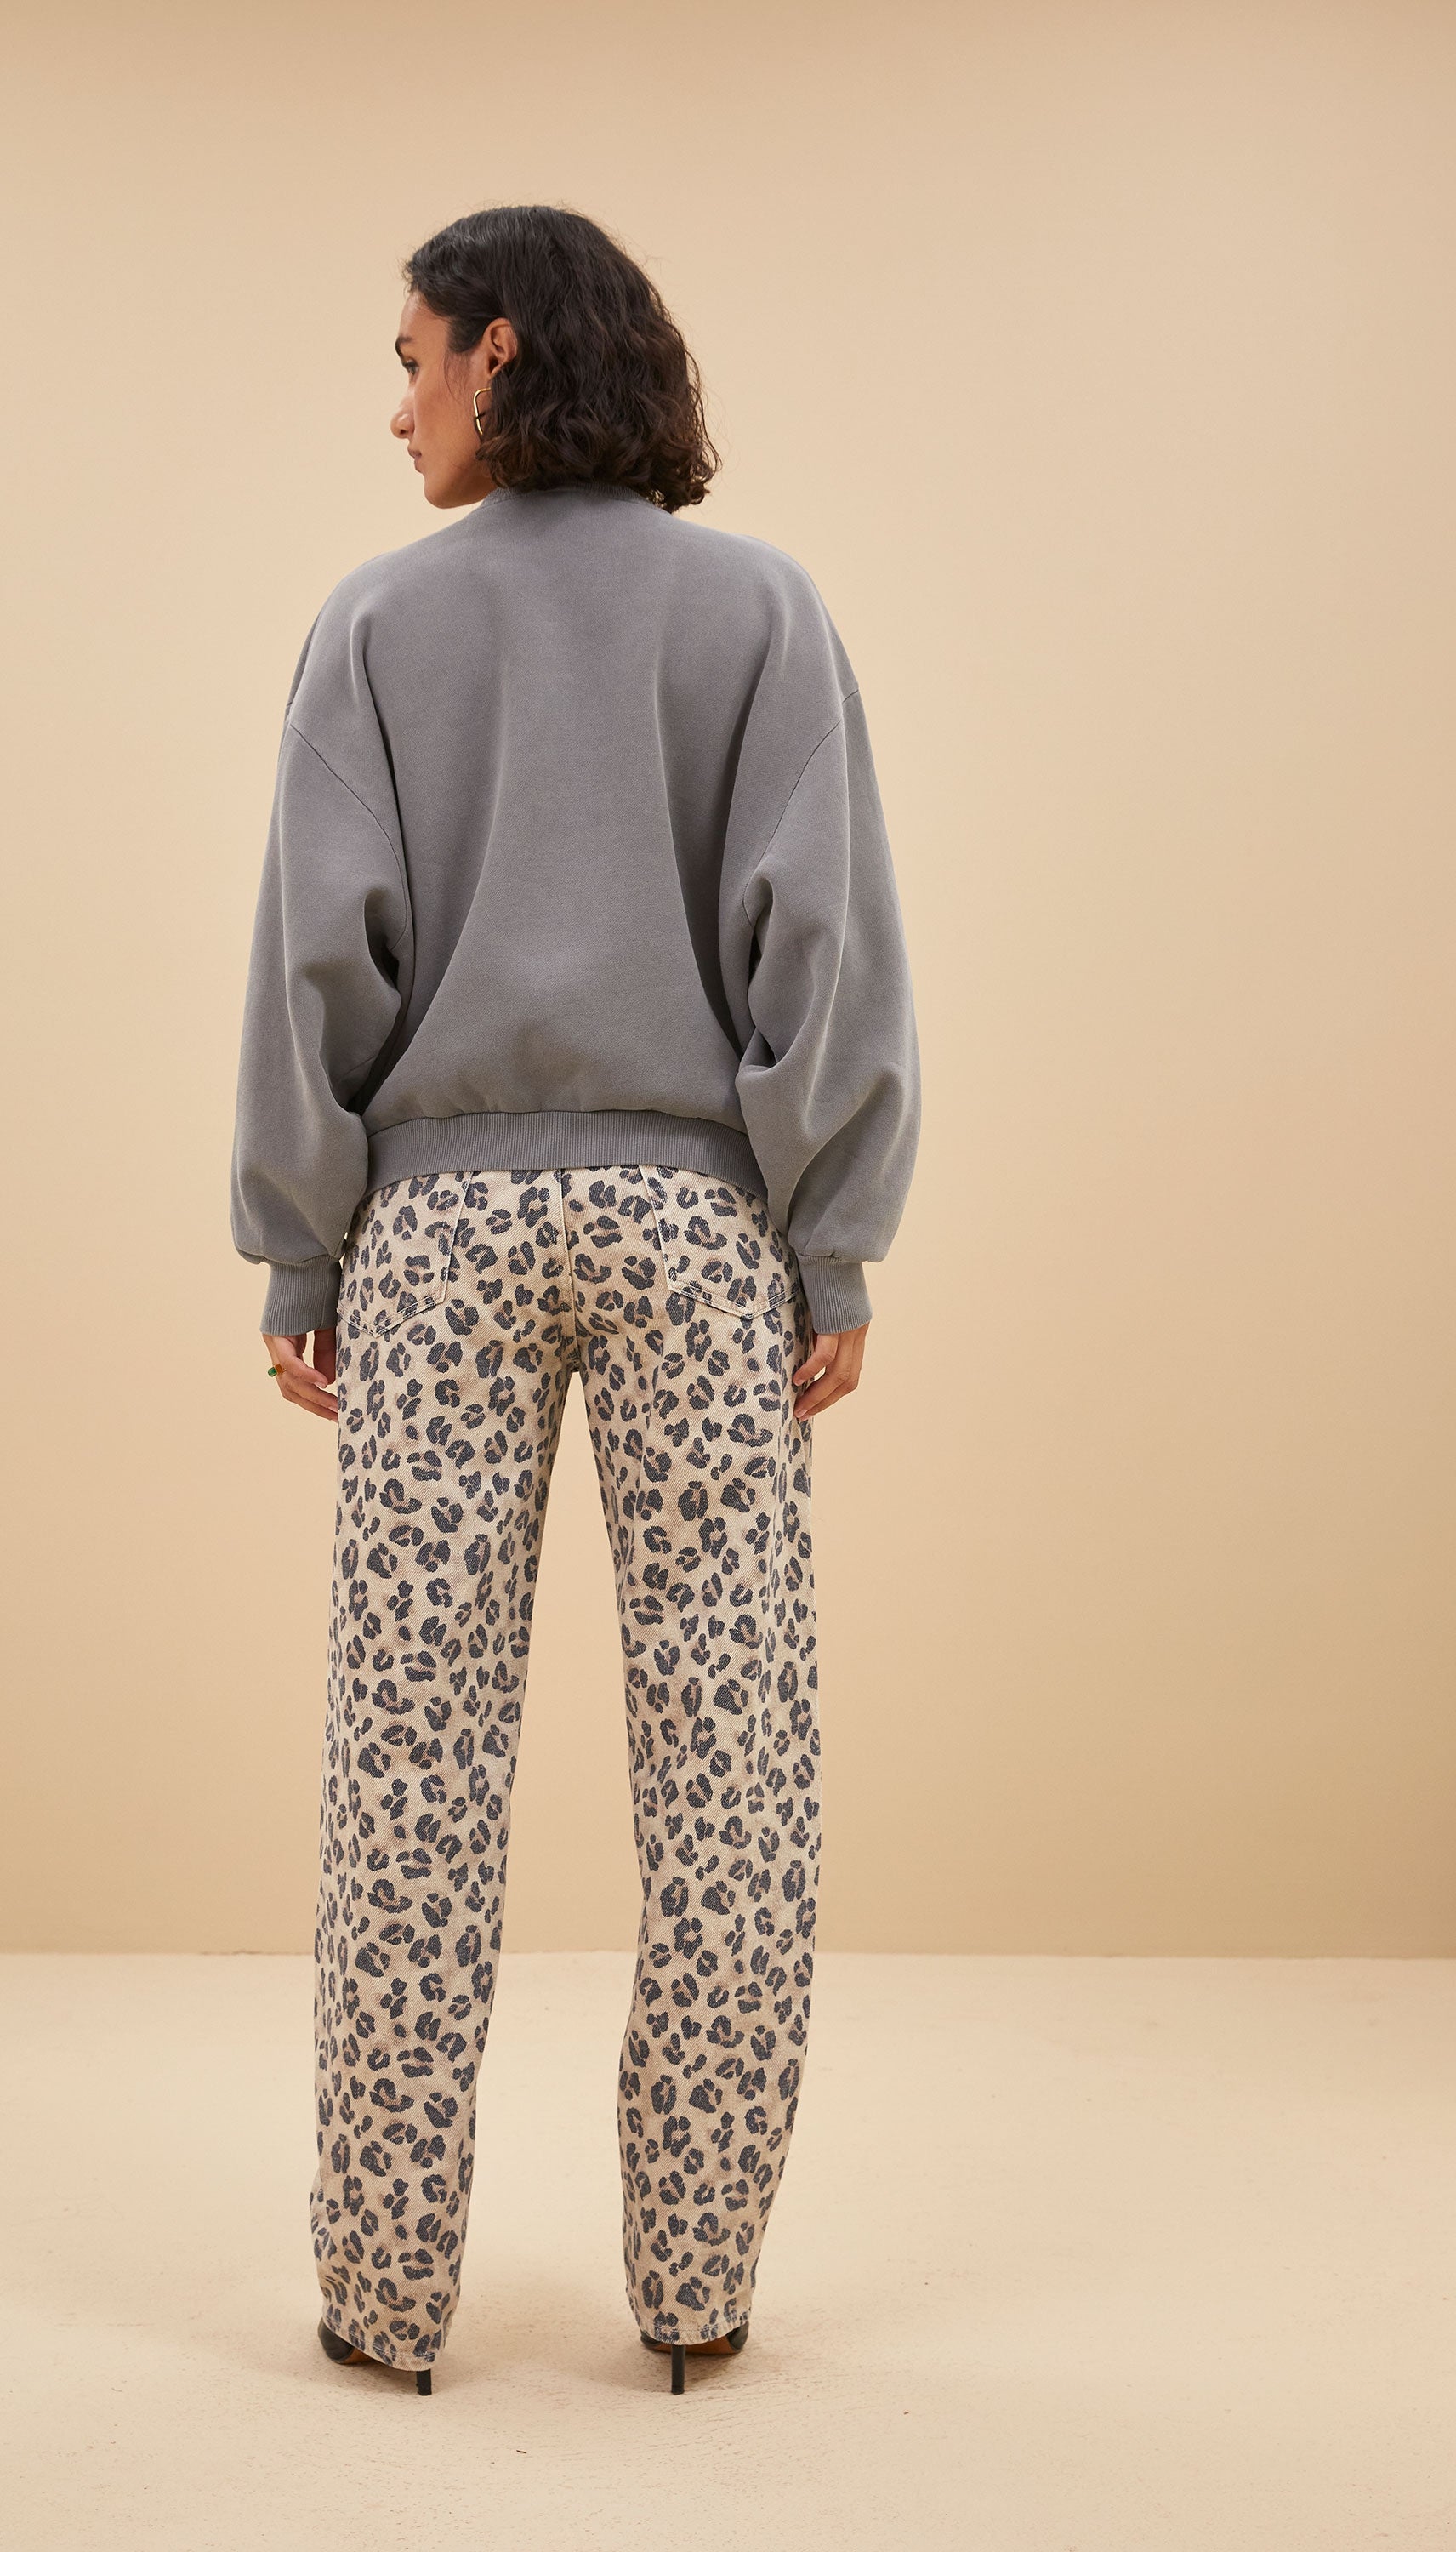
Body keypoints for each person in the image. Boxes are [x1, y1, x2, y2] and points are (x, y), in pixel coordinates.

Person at [230, 203, 921, 2398]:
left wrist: (304, 1234)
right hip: (695, 1235)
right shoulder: (763, 611)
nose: (398, 405)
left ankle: (382, 2296)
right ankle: (698, 2288)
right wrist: (829, 1230)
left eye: (412, 356)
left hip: (438, 1238)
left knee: (408, 1778)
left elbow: (318, 955)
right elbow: (823, 943)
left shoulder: (376, 623)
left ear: (503, 348)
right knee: (735, 1765)